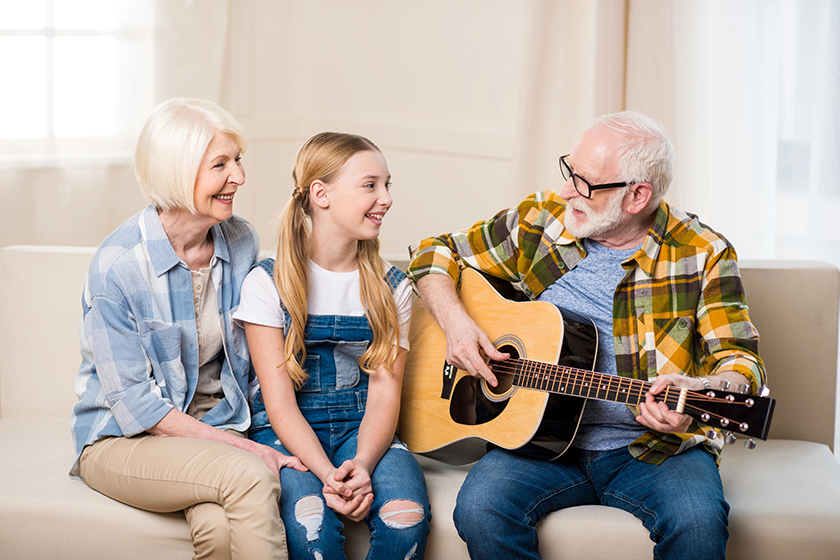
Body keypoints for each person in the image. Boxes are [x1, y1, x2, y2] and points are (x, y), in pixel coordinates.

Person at [406, 111, 767, 560]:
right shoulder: (540, 222)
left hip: (652, 451)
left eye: (586, 184)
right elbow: (432, 252)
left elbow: (739, 363)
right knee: (481, 509)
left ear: (638, 196)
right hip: (536, 442)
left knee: (697, 525)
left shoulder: (703, 253)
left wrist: (698, 396)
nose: (565, 192)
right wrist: (457, 325)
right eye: (569, 172)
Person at [70, 97, 305, 560]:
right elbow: (136, 404)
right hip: (122, 439)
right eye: (220, 164)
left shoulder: (240, 240)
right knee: (250, 475)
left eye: (238, 160)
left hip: (212, 425)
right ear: (178, 172)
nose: (238, 176)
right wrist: (248, 452)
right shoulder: (118, 268)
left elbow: (257, 356)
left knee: (220, 532)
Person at [233, 132, 431, 559]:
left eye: (387, 185)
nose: (386, 198)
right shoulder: (266, 284)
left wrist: (361, 464)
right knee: (312, 528)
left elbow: (384, 393)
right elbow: (280, 403)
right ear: (321, 194)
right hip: (286, 432)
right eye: (370, 185)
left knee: (405, 520)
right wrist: (328, 475)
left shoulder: (391, 288)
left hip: (365, 430)